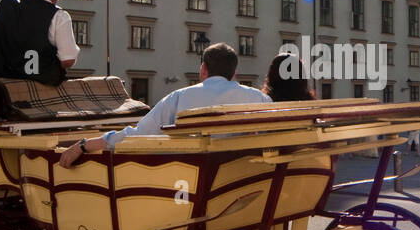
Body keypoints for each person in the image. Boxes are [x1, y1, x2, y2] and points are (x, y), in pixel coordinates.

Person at [58, 43, 268, 166]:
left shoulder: (178, 98)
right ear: (234, 74)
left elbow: (138, 135)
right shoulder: (259, 99)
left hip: (193, 182)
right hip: (245, 181)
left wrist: (85, 144)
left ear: (203, 69)